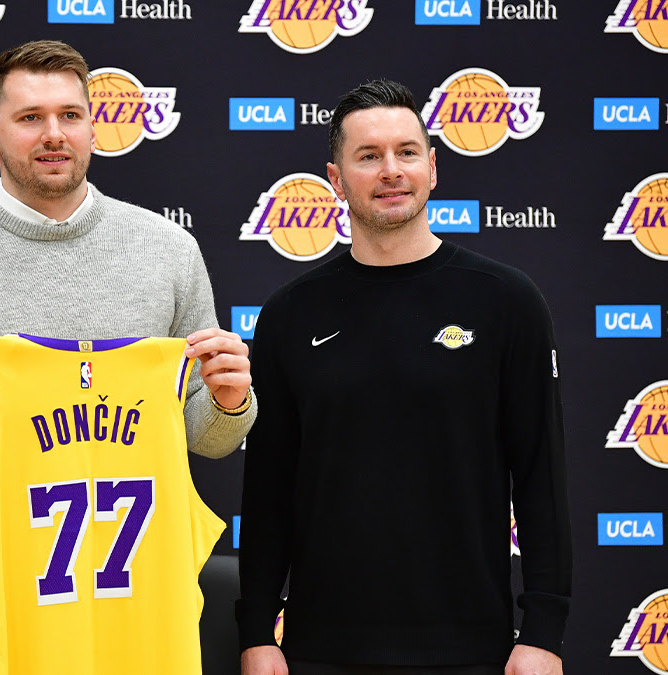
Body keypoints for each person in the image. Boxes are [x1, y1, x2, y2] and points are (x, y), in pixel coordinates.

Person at [0, 40, 256, 674]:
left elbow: (205, 438)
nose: (53, 135)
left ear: (94, 127)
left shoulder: (168, 251)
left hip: (142, 604)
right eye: (30, 117)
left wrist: (232, 402)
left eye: (70, 115)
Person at [237, 79, 571, 675]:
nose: (391, 170)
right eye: (368, 156)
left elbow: (541, 475)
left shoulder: (506, 301)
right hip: (322, 649)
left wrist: (543, 631)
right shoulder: (291, 313)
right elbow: (268, 487)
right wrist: (258, 631)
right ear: (336, 180)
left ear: (433, 168)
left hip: (472, 649)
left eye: (407, 152)